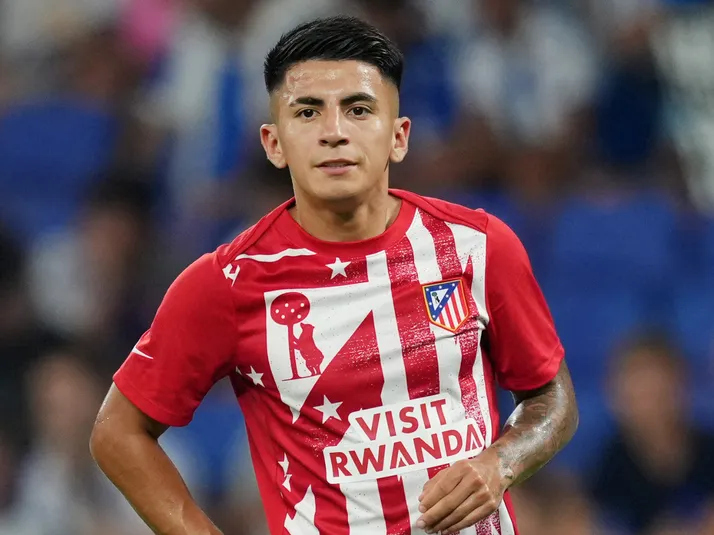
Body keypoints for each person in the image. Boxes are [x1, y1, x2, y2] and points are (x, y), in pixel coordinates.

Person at [90, 15, 578, 535]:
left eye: (358, 109)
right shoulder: (226, 283)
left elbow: (552, 398)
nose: (334, 132)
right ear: (274, 144)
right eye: (307, 112)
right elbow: (117, 432)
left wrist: (501, 463)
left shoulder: (478, 246)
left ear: (399, 137)